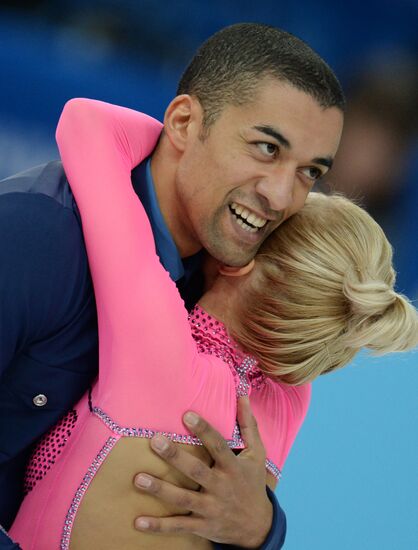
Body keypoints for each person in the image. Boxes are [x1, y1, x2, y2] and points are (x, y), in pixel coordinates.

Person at [10, 97, 418, 549]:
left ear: (244, 261)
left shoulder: (157, 340)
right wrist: (267, 532)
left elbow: (87, 123)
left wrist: (195, 139)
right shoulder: (286, 406)